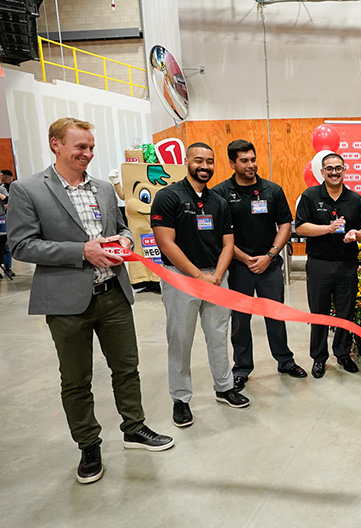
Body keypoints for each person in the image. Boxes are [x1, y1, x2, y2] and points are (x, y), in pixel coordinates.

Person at [7, 117, 173, 485]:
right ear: (56, 145)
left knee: (127, 368)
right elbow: (20, 245)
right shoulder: (28, 189)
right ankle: (88, 445)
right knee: (77, 379)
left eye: (91, 147)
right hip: (67, 302)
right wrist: (81, 251)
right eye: (80, 147)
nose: (87, 154)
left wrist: (127, 242)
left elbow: (122, 227)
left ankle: (134, 428)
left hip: (112, 293)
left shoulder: (100, 187)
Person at [151, 141, 250, 428]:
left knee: (219, 335)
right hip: (181, 279)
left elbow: (228, 243)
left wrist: (217, 276)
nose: (204, 166)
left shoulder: (218, 201)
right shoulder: (168, 197)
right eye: (199, 160)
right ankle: (181, 399)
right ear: (186, 161)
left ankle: (224, 387)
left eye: (209, 161)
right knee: (180, 339)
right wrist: (198, 276)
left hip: (216, 278)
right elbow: (165, 243)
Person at [212, 139, 306, 391]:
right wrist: (245, 259)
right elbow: (221, 234)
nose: (251, 164)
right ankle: (242, 367)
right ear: (232, 163)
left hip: (270, 264)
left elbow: (286, 224)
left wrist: (271, 255)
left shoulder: (271, 190)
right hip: (239, 267)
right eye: (244, 160)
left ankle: (285, 361)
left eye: (253, 159)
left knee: (276, 314)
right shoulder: (221, 193)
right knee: (240, 320)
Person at [295, 152, 361, 379]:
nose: (334, 172)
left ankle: (343, 354)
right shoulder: (310, 196)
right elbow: (300, 228)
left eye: (338, 168)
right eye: (329, 168)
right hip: (319, 264)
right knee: (318, 313)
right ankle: (319, 358)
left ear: (344, 170)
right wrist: (328, 228)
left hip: (347, 264)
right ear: (322, 172)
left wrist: (356, 234)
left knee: (345, 312)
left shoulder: (355, 199)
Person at [0, 169, 14, 277]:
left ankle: (8, 267)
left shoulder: (2, 188)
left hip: (2, 218)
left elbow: (8, 199)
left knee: (5, 244)